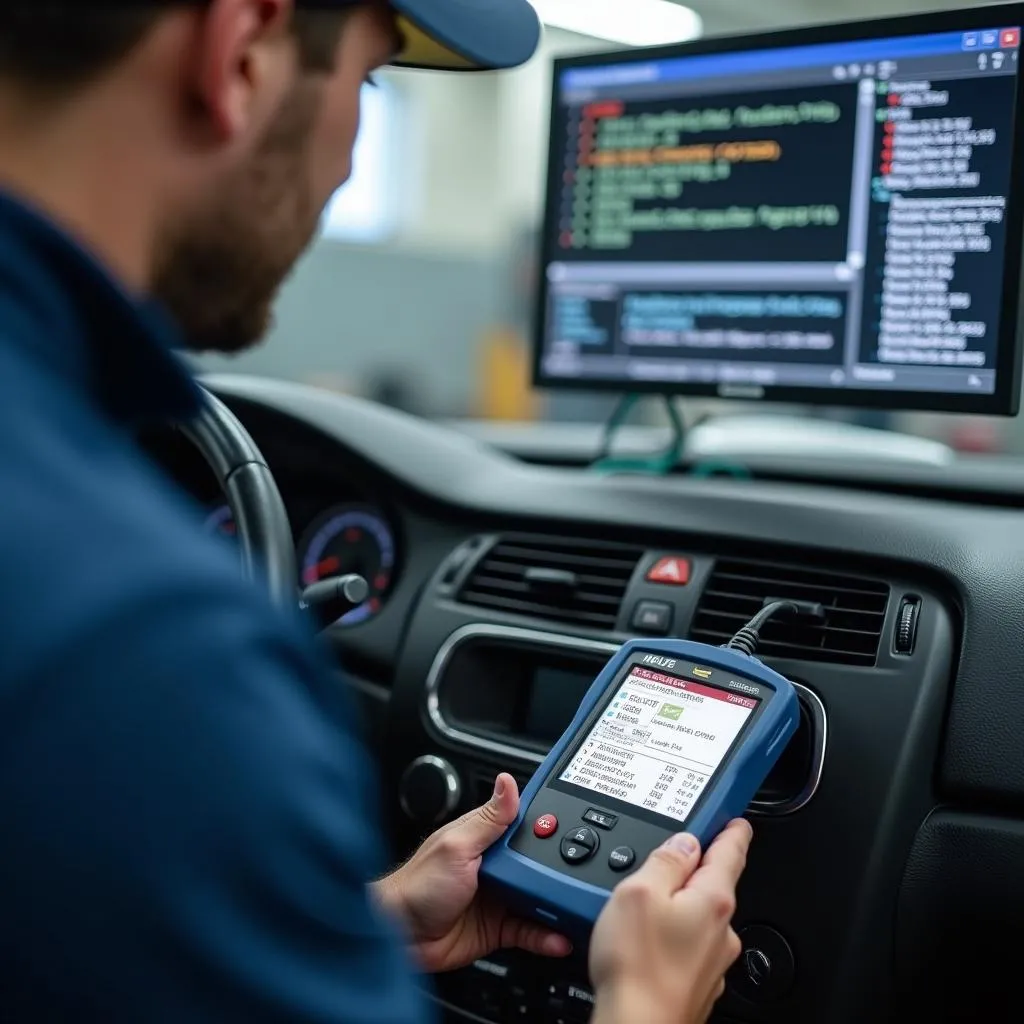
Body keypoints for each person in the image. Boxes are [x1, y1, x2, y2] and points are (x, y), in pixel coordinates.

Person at [0, 2, 752, 1022]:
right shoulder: (148, 650)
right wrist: (648, 1004)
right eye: (369, 81)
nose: (351, 160)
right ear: (242, 50)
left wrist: (335, 921)